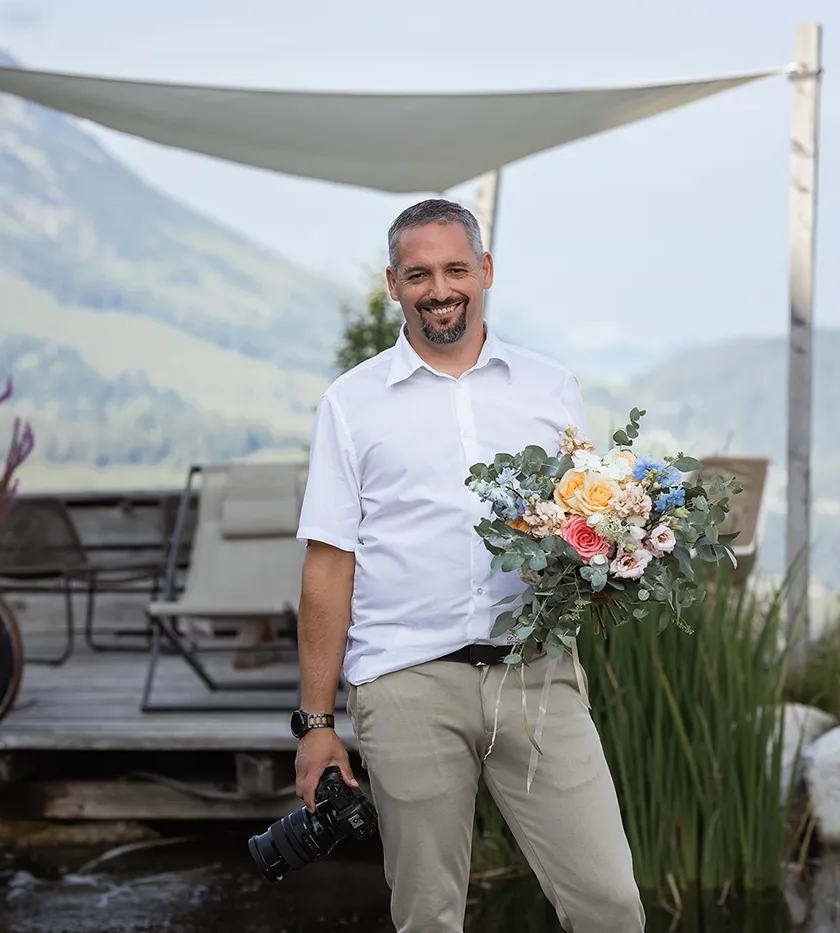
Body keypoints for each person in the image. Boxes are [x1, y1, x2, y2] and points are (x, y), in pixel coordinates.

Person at [289, 198, 646, 933]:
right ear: (393, 285)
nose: (440, 288)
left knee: (610, 904)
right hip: (407, 682)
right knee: (428, 918)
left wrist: (618, 551)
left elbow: (586, 522)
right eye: (418, 274)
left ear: (485, 270)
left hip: (537, 673)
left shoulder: (550, 388)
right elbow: (328, 567)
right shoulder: (351, 405)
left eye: (455, 268)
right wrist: (316, 723)